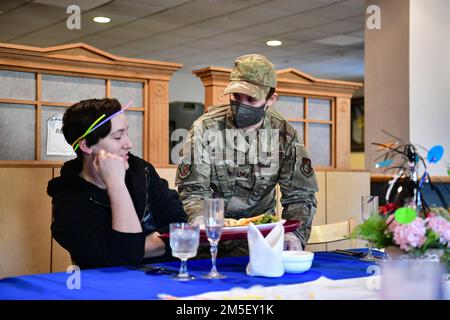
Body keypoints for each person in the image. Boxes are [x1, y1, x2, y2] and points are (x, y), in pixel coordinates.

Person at [175, 54, 319, 256]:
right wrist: (200, 223)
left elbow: (300, 196)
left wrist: (294, 234)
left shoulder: (285, 135)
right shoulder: (205, 128)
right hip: (210, 241)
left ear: (271, 99)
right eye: (236, 97)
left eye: (251, 99)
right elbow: (193, 191)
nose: (242, 105)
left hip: (260, 239)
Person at [47, 98, 187, 269]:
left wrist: (130, 249)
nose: (129, 144)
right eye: (118, 136)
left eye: (126, 133)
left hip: (170, 275)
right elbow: (122, 260)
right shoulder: (68, 200)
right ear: (86, 146)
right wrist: (116, 184)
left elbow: (181, 228)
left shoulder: (142, 171)